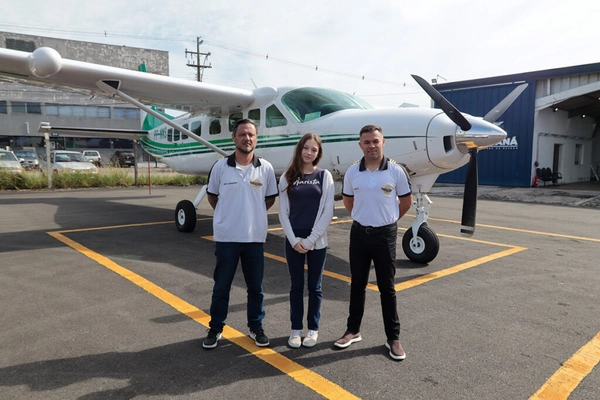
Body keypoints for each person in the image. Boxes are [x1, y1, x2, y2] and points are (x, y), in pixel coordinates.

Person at [334, 124, 413, 361]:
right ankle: (353, 331)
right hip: (359, 234)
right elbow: (349, 202)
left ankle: (393, 338)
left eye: (375, 141)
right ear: (360, 145)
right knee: (357, 285)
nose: (371, 145)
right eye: (366, 142)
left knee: (387, 288)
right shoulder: (352, 172)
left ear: (383, 142)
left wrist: (386, 222)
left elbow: (406, 202)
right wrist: (366, 218)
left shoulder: (396, 171)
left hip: (385, 236)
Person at [202, 118, 278, 349]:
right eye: (243, 134)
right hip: (227, 239)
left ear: (256, 139)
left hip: (254, 239)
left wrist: (251, 215)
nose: (247, 138)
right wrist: (230, 215)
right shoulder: (220, 167)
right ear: (233, 138)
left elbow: (269, 198)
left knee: (256, 288)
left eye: (251, 135)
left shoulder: (265, 168)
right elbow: (213, 196)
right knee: (221, 287)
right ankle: (215, 329)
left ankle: (256, 327)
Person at [278, 133, 335, 348]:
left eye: (314, 150)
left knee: (315, 287)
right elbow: (283, 212)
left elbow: (327, 212)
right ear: (299, 149)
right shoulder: (287, 176)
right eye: (306, 148)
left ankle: (312, 329)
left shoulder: (324, 176)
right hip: (293, 240)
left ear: (318, 153)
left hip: (317, 241)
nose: (309, 153)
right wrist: (294, 240)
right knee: (296, 286)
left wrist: (310, 240)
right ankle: (295, 330)